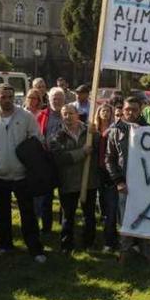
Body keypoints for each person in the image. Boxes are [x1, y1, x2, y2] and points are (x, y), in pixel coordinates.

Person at [0, 83, 46, 263]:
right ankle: (5, 245)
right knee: (2, 214)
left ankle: (35, 249)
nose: (8, 100)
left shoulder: (25, 116)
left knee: (28, 214)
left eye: (11, 96)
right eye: (4, 97)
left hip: (22, 175)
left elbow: (37, 140)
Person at [107, 96, 150, 264]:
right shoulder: (115, 130)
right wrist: (118, 181)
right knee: (125, 220)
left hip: (145, 184)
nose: (130, 113)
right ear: (123, 110)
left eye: (134, 109)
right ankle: (125, 253)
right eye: (127, 109)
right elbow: (110, 159)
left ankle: (148, 253)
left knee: (145, 218)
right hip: (124, 184)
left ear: (140, 110)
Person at [49, 104, 99, 253]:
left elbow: (98, 147)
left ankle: (89, 243)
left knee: (89, 215)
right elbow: (59, 157)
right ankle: (66, 245)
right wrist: (82, 152)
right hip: (68, 182)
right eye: (64, 114)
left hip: (88, 181)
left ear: (78, 115)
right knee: (68, 216)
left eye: (71, 113)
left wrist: (95, 134)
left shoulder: (89, 132)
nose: (67, 117)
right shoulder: (57, 135)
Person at [34, 86, 68, 233]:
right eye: (54, 98)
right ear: (49, 99)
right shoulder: (42, 115)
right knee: (46, 196)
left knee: (64, 195)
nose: (57, 101)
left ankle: (64, 224)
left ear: (64, 100)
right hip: (46, 159)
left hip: (64, 159)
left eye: (60, 98)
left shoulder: (69, 114)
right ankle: (46, 227)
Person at [94, 104, 118, 252]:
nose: (105, 113)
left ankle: (110, 239)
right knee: (101, 203)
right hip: (97, 171)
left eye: (108, 111)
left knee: (111, 207)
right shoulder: (93, 130)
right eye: (103, 110)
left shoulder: (115, 129)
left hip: (110, 172)